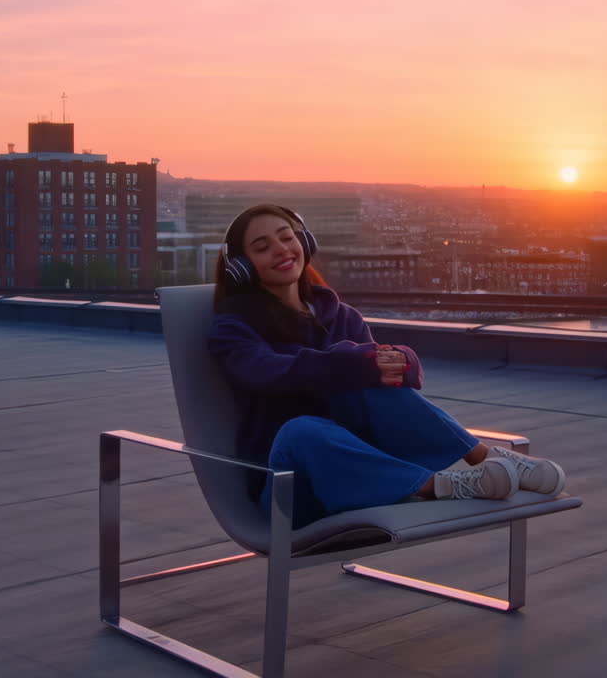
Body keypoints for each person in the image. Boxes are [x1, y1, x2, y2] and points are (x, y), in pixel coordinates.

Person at [207, 204, 566, 527]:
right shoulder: (233, 328)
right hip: (291, 490)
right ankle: (439, 487)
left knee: (370, 381)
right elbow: (270, 372)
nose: (281, 250)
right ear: (241, 267)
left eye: (287, 238)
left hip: (364, 471)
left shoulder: (340, 315)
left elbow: (377, 370)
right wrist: (356, 362)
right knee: (301, 430)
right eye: (262, 247)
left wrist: (400, 361)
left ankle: (487, 457)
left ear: (305, 242)